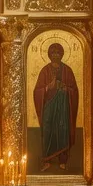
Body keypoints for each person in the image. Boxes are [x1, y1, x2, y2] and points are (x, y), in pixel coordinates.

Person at [33, 43, 79, 171]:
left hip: (63, 108)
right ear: (49, 55)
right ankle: (47, 160)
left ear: (62, 54)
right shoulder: (45, 71)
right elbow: (37, 91)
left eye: (58, 53)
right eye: (53, 53)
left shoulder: (67, 70)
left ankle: (63, 160)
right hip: (49, 107)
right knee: (48, 131)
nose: (55, 55)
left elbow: (74, 90)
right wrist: (48, 87)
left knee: (63, 130)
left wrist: (66, 89)